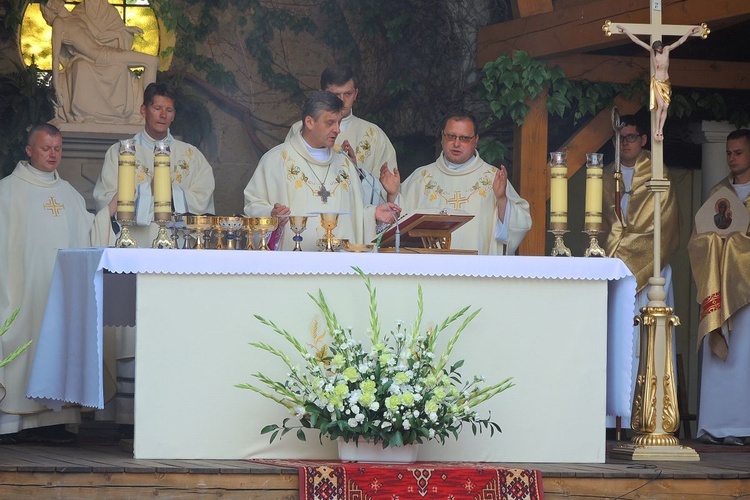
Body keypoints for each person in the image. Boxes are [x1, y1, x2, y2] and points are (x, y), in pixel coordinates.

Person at [0, 123, 115, 443]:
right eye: (45, 148)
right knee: (24, 344)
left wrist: (108, 214)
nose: (53, 155)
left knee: (57, 343)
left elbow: (91, 236)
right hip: (22, 291)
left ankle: (55, 422)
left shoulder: (68, 193)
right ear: (29, 151)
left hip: (59, 292)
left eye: (58, 149)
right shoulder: (7, 190)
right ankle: (13, 423)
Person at [601, 114, 680, 429]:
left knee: (646, 343)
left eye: (631, 137)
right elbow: (606, 226)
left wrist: (632, 254)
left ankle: (649, 417)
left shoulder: (661, 174)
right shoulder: (606, 175)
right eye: (620, 138)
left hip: (652, 274)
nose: (625, 143)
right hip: (613, 269)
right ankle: (611, 418)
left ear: (645, 140)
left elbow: (668, 227)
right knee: (616, 340)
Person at [245, 90, 400, 251]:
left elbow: (355, 216)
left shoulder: (345, 165)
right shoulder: (275, 160)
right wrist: (271, 214)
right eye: (330, 123)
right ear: (310, 122)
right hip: (293, 269)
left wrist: (372, 215)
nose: (337, 130)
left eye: (339, 123)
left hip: (340, 268)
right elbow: (252, 206)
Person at [381, 113, 531, 255]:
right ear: (442, 137)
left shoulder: (493, 178)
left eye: (464, 138)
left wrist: (502, 200)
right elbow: (398, 229)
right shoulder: (421, 178)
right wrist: (393, 195)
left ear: (476, 140)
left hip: (478, 274)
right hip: (429, 275)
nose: (457, 143)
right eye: (451, 136)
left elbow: (519, 225)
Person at [93, 81, 216, 245]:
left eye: (169, 110)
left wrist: (170, 193)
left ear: (174, 115)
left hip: (178, 242)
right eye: (157, 109)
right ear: (144, 110)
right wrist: (147, 190)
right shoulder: (120, 152)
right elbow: (106, 200)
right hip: (134, 241)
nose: (163, 115)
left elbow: (204, 198)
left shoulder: (192, 156)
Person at [689, 129, 750, 446]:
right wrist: (714, 244)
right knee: (721, 361)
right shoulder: (719, 192)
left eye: (738, 152)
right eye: (728, 152)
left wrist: (736, 246)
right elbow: (700, 236)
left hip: (747, 294)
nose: (732, 158)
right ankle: (714, 425)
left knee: (744, 359)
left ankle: (742, 427)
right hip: (719, 291)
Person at [285, 66, 397, 205]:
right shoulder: (300, 129)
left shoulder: (374, 135)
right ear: (322, 94)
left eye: (347, 94)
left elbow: (388, 190)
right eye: (335, 95)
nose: (342, 101)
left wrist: (356, 172)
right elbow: (287, 175)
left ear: (356, 94)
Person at [41, 0, 158, 124]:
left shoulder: (79, 18)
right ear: (51, 8)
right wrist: (56, 84)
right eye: (51, 3)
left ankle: (145, 112)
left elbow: (99, 36)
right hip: (101, 57)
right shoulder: (59, 23)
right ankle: (148, 112)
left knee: (152, 61)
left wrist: (122, 32)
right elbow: (55, 55)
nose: (56, 3)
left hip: (106, 51)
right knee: (151, 61)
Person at [617, 25, 701, 141]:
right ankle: (657, 130)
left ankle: (661, 129)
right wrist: (626, 32)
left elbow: (679, 42)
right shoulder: (652, 52)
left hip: (666, 82)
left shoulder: (666, 50)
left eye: (659, 49)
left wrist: (689, 33)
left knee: (665, 107)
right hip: (657, 82)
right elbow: (637, 41)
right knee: (660, 106)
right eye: (657, 50)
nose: (658, 51)